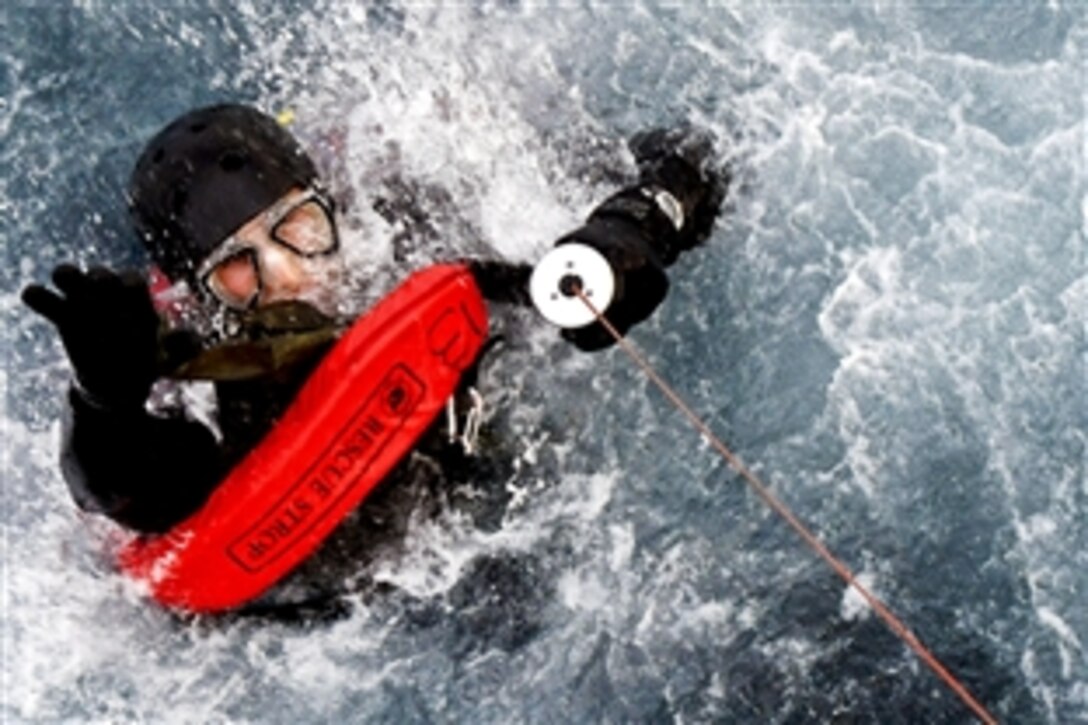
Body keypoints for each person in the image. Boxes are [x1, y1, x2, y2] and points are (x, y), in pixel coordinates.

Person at [22, 103, 726, 545]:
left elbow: (691, 153)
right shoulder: (200, 372)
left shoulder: (419, 220)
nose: (290, 275)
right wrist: (103, 403)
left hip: (519, 497)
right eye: (240, 269)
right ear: (201, 297)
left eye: (299, 227)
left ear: (330, 201)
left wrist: (624, 232)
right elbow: (134, 496)